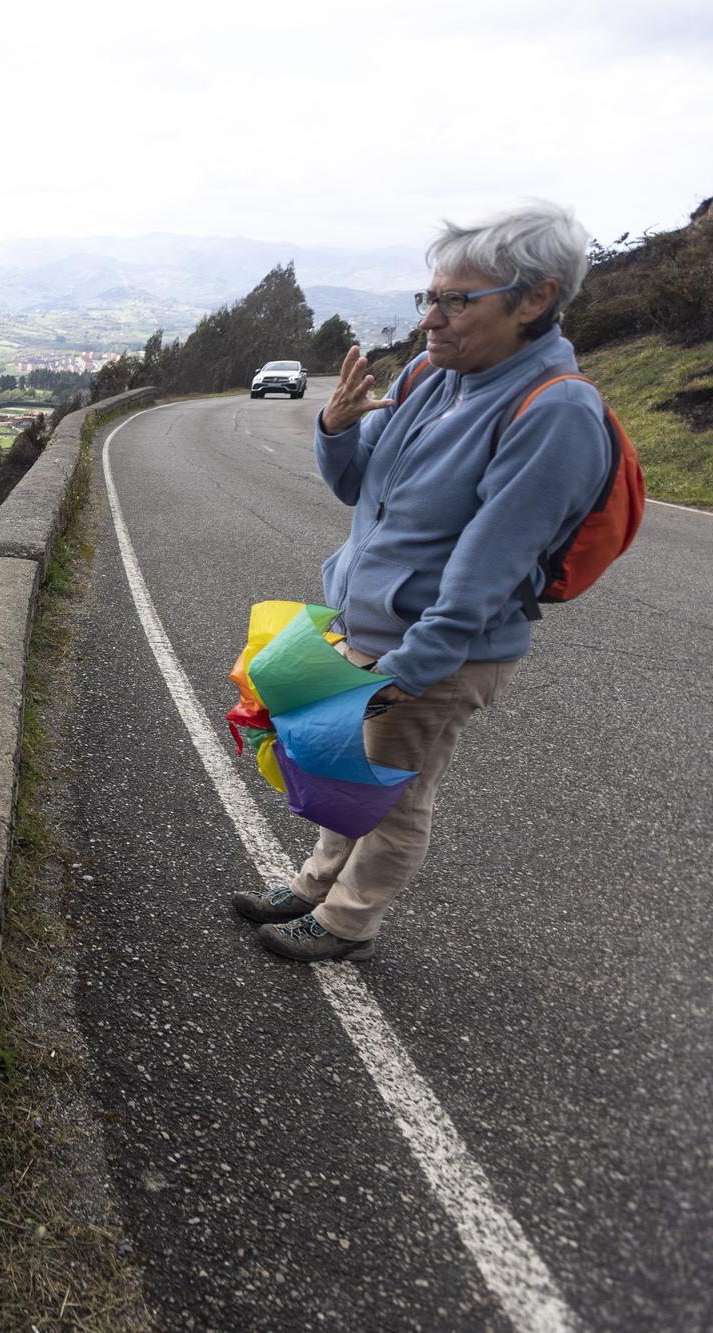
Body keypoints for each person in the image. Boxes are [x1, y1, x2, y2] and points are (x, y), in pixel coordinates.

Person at [233, 202, 613, 961]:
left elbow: (485, 569)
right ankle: (313, 885)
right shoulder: (431, 375)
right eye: (428, 298)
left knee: (397, 794)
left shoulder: (557, 411)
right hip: (366, 623)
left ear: (534, 299)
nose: (430, 320)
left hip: (442, 650)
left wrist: (408, 672)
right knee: (349, 767)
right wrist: (335, 428)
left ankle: (346, 922)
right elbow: (356, 489)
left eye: (456, 301)